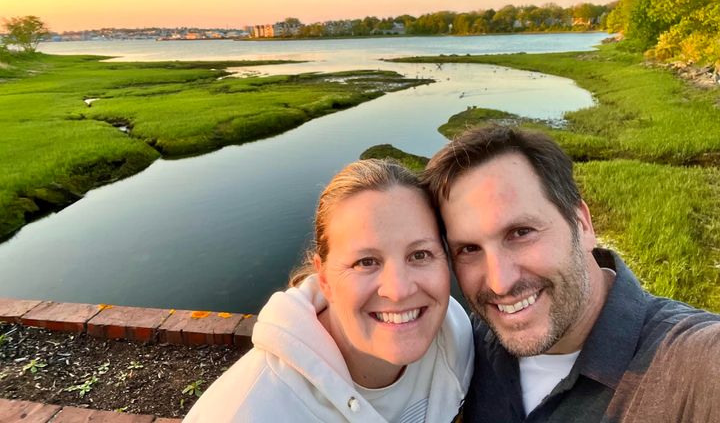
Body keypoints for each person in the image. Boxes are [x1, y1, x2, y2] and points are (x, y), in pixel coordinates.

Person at [423, 125, 720, 422]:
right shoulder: (465, 342)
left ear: (583, 225)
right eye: (469, 249)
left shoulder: (694, 363)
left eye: (521, 232)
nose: (500, 282)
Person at [184, 159, 473, 422]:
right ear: (323, 278)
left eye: (420, 255)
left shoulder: (454, 335)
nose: (398, 290)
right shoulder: (242, 412)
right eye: (366, 262)